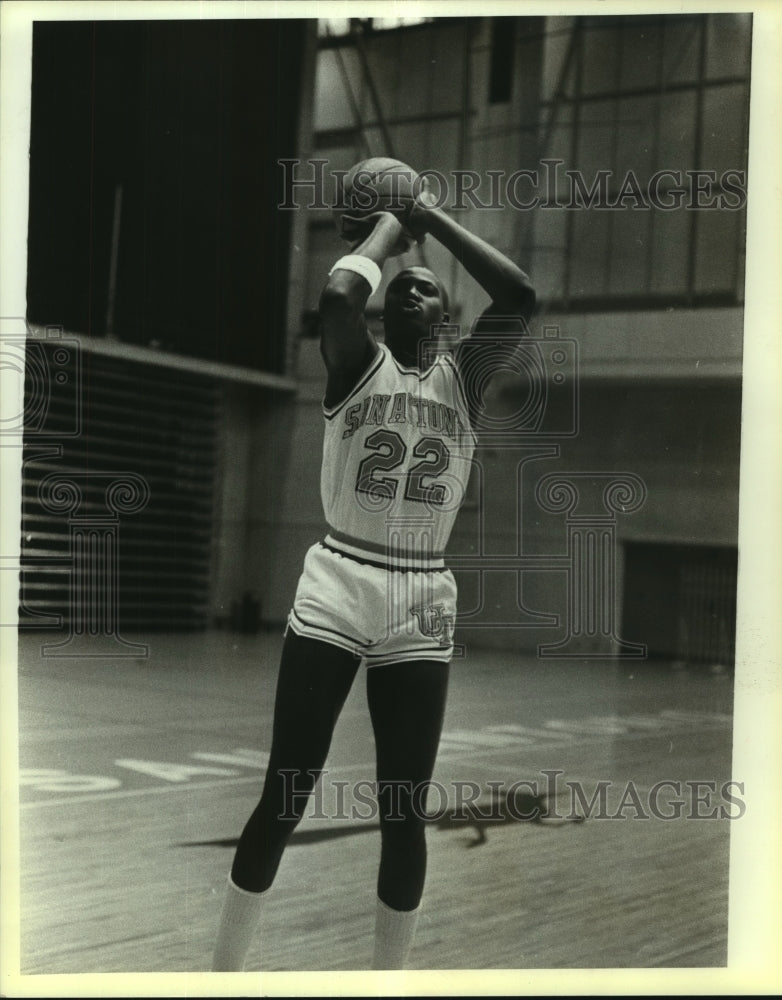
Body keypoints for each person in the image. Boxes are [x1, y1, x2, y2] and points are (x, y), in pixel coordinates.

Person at [211, 184, 536, 972]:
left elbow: (521, 295)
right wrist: (395, 221)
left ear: (445, 316)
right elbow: (335, 290)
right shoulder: (355, 362)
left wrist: (434, 221)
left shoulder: (464, 379)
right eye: (397, 289)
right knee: (286, 791)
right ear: (384, 317)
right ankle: (220, 975)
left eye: (423, 288)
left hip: (422, 596)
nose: (407, 292)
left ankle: (385, 984)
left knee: (403, 809)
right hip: (340, 580)